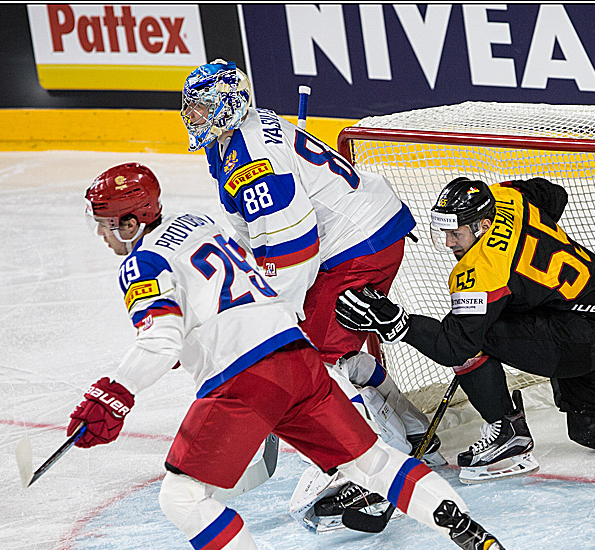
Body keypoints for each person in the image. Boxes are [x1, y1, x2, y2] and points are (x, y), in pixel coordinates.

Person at [69, 163, 514, 550]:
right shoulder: (200, 223)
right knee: (371, 462)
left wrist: (112, 393)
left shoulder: (139, 264)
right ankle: (469, 529)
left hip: (244, 379)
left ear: (130, 223)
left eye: (104, 221)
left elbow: (159, 338)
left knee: (182, 497)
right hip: (296, 354)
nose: (100, 232)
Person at [335, 177, 595, 484]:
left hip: (577, 338)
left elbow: (455, 347)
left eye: (457, 234)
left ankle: (507, 432)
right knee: (591, 431)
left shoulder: (479, 272)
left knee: (473, 336)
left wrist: (396, 322)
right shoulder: (507, 197)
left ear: (482, 226)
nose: (449, 243)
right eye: (445, 232)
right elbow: (553, 194)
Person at [179, 59, 442, 468]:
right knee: (333, 349)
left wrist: (274, 312)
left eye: (203, 106)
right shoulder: (233, 138)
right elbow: (256, 231)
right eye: (191, 107)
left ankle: (374, 465)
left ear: (228, 104)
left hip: (358, 246)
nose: (193, 116)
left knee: (310, 357)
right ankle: (410, 429)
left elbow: (295, 246)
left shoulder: (252, 164)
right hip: (361, 234)